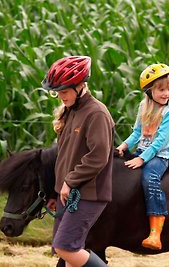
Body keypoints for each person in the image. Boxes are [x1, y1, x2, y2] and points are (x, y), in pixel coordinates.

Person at [42, 56, 114, 267]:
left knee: (67, 247)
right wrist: (55, 192)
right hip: (68, 193)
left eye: (64, 91)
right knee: (64, 250)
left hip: (88, 193)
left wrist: (70, 181)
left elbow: (98, 156)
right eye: (57, 92)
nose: (60, 96)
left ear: (81, 85)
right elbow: (66, 156)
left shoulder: (96, 113)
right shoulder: (72, 111)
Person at [116, 63, 169, 250]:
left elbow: (160, 142)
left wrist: (142, 159)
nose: (166, 93)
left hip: (159, 157)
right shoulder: (144, 106)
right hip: (142, 152)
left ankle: (155, 233)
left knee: (150, 178)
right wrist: (124, 146)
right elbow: (137, 133)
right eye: (161, 90)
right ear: (150, 91)